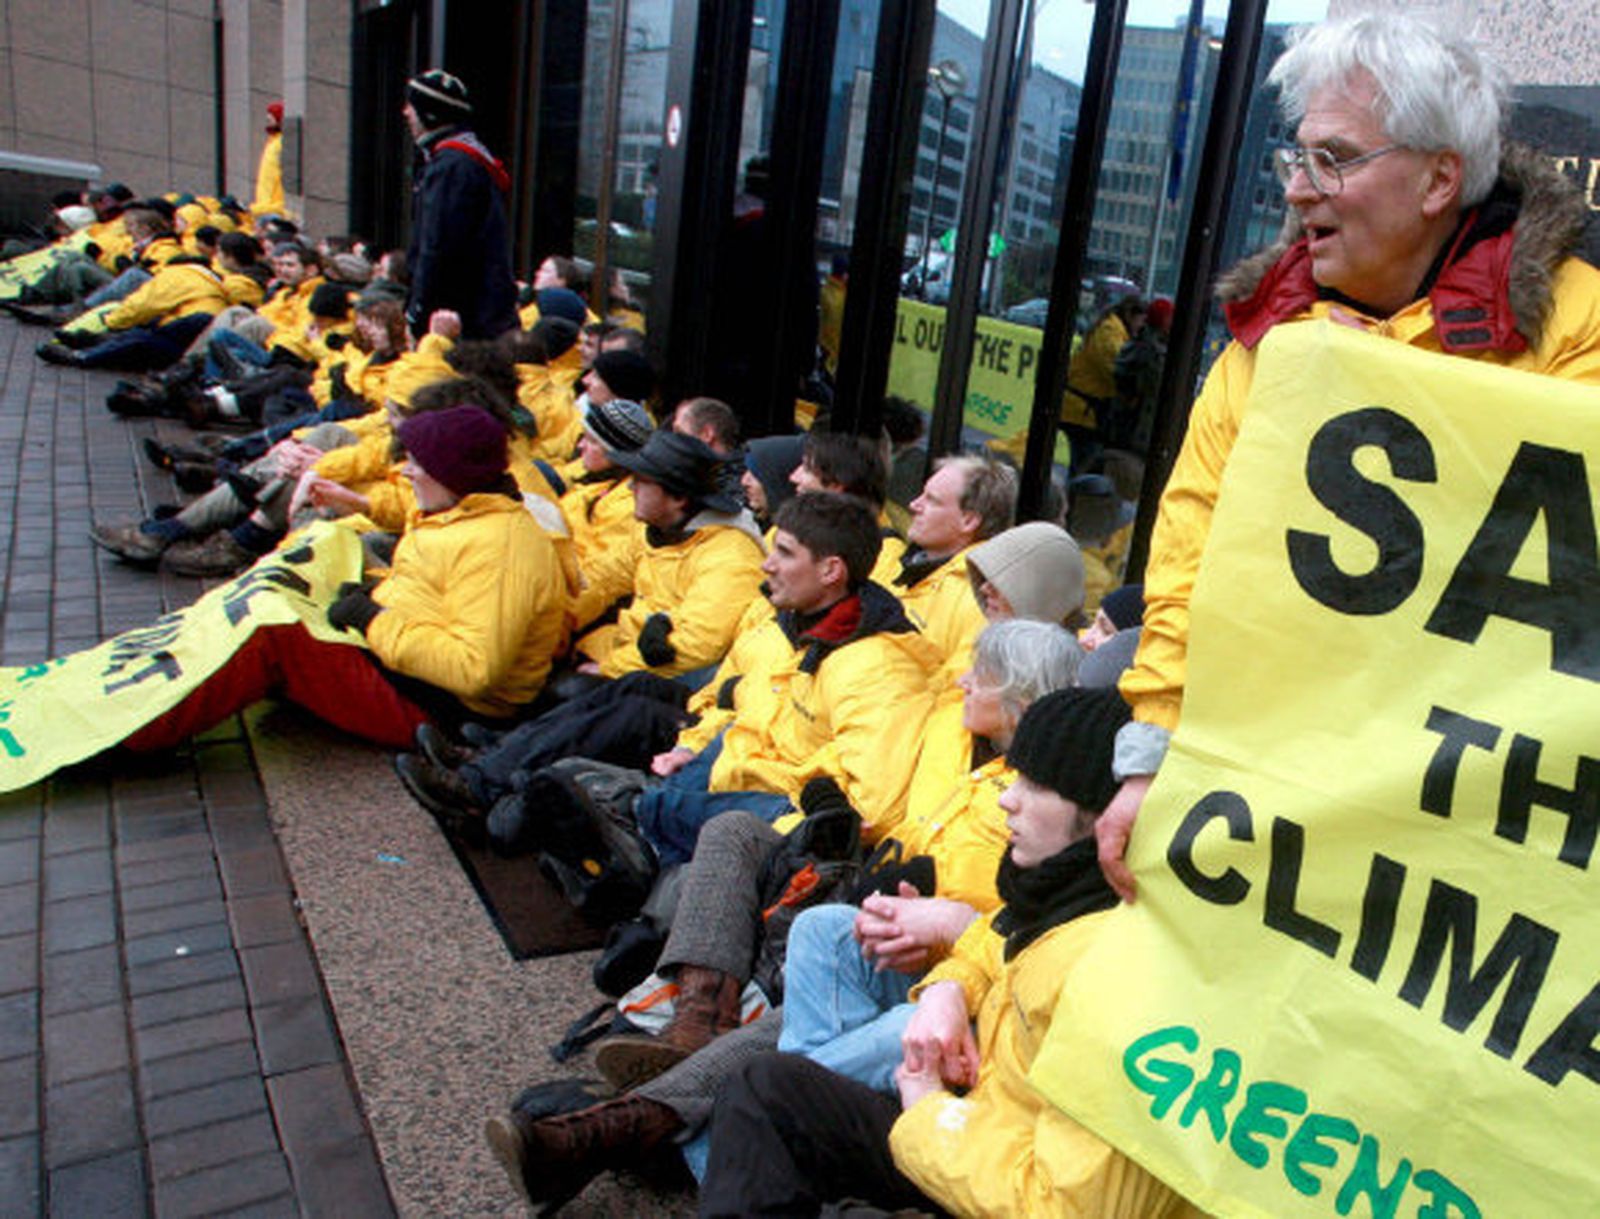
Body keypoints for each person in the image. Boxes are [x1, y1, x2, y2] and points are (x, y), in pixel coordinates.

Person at [1098, 12, 1600, 901]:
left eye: (1335, 159)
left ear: (1440, 177)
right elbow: (1188, 554)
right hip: (1273, 795)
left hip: (1461, 830)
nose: (1298, 190)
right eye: (1297, 159)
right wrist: (1151, 754)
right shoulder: (1268, 339)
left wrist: (1381, 385)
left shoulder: (1576, 326)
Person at [698, 687, 1201, 1219]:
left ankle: (698, 1136)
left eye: (1036, 784)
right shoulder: (1060, 897)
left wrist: (928, 1113)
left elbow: (1067, 1209)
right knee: (765, 1084)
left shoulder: (1121, 972)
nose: (1008, 798)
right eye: (1014, 777)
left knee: (764, 1101)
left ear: (1110, 816)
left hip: (983, 1157)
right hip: (980, 1128)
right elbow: (1002, 936)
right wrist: (947, 988)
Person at [100, 405, 569, 762]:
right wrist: (375, 595)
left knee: (275, 635)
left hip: (443, 710)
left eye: (417, 463)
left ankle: (128, 734)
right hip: (413, 676)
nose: (407, 471)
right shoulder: (464, 516)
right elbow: (435, 595)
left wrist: (374, 620)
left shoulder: (502, 546)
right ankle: (146, 685)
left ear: (453, 474)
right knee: (290, 584)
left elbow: (474, 669)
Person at [402, 70, 518, 341]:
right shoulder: (459, 160)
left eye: (412, 105)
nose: (405, 112)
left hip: (459, 321)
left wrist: (417, 313)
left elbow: (437, 248)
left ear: (430, 113)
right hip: (469, 315)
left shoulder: (452, 166)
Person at [895, 453, 1017, 679]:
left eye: (931, 500)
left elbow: (959, 695)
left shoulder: (982, 601)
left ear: (968, 521)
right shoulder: (911, 568)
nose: (914, 505)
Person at [251, 102, 287, 221]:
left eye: (271, 119)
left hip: (273, 208)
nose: (268, 122)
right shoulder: (273, 141)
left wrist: (270, 207)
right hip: (266, 206)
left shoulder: (280, 143)